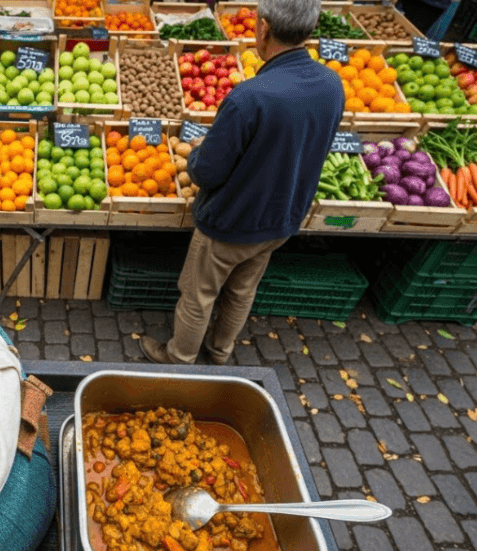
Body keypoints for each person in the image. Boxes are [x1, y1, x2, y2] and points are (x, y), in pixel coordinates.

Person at [139, 0, 345, 365]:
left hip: (232, 221)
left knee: (198, 293)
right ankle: (220, 353)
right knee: (242, 290)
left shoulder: (249, 97)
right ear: (310, 29)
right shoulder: (331, 84)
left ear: (263, 28)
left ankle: (179, 357)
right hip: (282, 217)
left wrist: (197, 153)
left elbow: (206, 173)